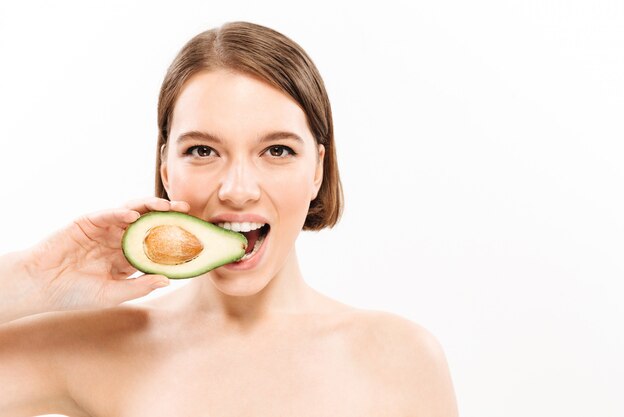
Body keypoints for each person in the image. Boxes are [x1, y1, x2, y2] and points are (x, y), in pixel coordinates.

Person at [0, 21, 458, 416]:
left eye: (277, 150)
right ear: (166, 170)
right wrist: (37, 276)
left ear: (317, 169)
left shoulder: (402, 359)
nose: (238, 189)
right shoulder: (96, 347)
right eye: (202, 151)